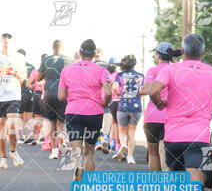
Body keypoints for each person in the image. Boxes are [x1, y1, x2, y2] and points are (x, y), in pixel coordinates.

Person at [150, 34, 212, 191]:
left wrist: (161, 104)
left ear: (183, 51)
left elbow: (154, 90)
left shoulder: (170, 69)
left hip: (173, 135)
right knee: (197, 180)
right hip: (201, 136)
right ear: (203, 52)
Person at [58, 39, 112, 181]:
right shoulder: (101, 70)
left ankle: (77, 169)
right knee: (89, 151)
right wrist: (105, 104)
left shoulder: (67, 70)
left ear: (80, 52)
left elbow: (61, 96)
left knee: (76, 150)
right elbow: (108, 92)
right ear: (94, 54)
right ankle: (89, 184)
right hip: (93, 113)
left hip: (73, 112)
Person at [139, 42, 179, 171]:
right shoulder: (177, 70)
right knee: (164, 152)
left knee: (153, 153)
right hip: (171, 117)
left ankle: (156, 186)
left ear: (157, 55)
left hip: (152, 117)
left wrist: (140, 90)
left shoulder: (152, 70)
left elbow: (146, 90)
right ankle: (167, 186)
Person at [0, 33, 26, 169]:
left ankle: (13, 151)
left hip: (13, 95)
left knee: (12, 126)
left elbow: (23, 76)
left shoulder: (18, 57)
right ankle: (3, 158)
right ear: (1, 42)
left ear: (12, 42)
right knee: (1, 128)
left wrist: (15, 74)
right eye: (4, 42)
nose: (6, 44)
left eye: (8, 42)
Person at [37, 40, 73, 159]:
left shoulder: (46, 60)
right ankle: (62, 142)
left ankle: (53, 150)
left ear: (53, 47)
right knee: (61, 122)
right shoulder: (69, 60)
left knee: (51, 122)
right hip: (63, 94)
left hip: (49, 94)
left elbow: (38, 77)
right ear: (63, 47)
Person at [113, 55, 144, 164]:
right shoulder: (140, 76)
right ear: (134, 64)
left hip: (123, 106)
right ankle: (130, 157)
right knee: (132, 132)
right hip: (136, 107)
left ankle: (123, 144)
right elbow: (142, 91)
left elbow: (115, 88)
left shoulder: (120, 75)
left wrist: (119, 93)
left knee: (122, 130)